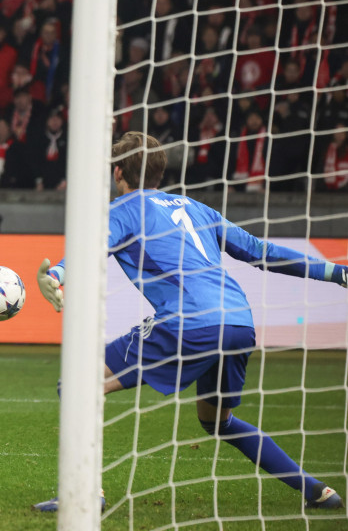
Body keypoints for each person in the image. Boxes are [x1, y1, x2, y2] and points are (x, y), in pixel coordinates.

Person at [33, 132, 347, 512]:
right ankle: (317, 491)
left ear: (117, 172)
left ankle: (85, 494)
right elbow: (261, 252)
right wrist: (336, 272)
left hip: (188, 319)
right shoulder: (197, 208)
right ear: (160, 173)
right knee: (219, 422)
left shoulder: (124, 208)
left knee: (77, 385)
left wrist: (58, 275)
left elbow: (92, 246)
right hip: (238, 321)